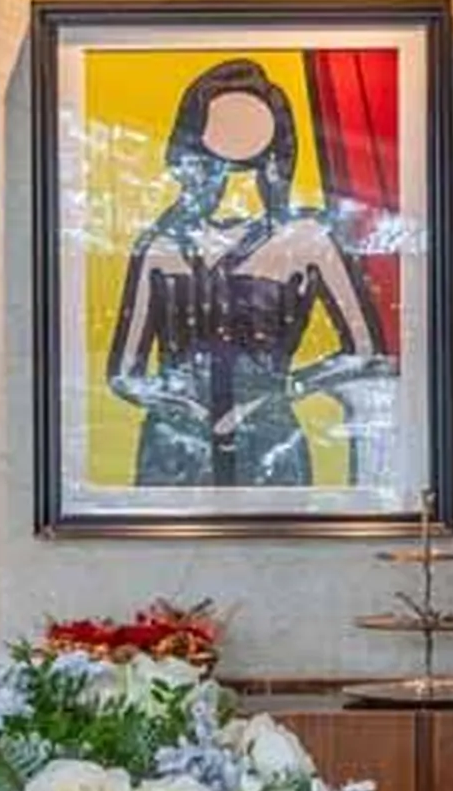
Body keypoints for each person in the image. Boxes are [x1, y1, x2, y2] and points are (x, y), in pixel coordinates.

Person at [101, 58, 391, 491]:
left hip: (270, 447)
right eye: (220, 157)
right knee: (158, 556)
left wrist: (283, 390)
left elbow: (365, 350)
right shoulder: (160, 244)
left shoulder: (307, 237)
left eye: (251, 161)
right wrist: (180, 404)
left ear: (276, 154)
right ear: (193, 152)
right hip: (173, 451)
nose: (234, 173)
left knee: (282, 556)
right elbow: (124, 372)